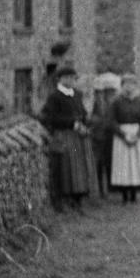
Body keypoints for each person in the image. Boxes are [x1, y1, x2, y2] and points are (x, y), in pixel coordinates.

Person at [39, 65, 97, 212]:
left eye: (73, 78)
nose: (71, 80)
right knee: (67, 168)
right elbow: (49, 118)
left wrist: (85, 122)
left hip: (79, 136)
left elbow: (82, 111)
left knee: (80, 168)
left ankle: (78, 200)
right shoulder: (54, 97)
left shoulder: (77, 94)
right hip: (64, 135)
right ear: (60, 79)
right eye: (67, 78)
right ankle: (63, 200)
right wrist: (72, 123)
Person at [109, 73, 140, 204]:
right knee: (123, 165)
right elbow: (111, 120)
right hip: (122, 134)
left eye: (132, 84)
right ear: (122, 86)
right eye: (126, 84)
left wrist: (138, 134)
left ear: (136, 86)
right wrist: (123, 135)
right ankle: (124, 196)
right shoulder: (116, 102)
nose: (129, 87)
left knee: (135, 164)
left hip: (137, 134)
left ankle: (134, 196)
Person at [90, 72, 121, 198]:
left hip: (110, 135)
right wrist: (98, 121)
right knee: (99, 163)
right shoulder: (97, 103)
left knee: (110, 162)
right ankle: (101, 189)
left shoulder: (113, 102)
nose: (103, 94)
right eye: (100, 92)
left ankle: (110, 186)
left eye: (109, 91)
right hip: (99, 136)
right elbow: (94, 117)